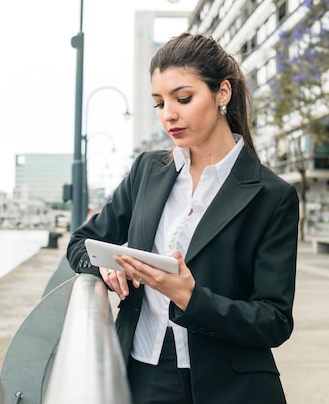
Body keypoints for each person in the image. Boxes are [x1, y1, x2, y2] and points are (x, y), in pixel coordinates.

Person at [67, 33, 300, 404]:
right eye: (159, 103)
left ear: (222, 93)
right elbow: (80, 243)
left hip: (230, 387)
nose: (168, 115)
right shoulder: (148, 170)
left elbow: (274, 320)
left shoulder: (272, 195)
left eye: (183, 98)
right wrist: (106, 269)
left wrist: (192, 298)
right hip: (142, 370)